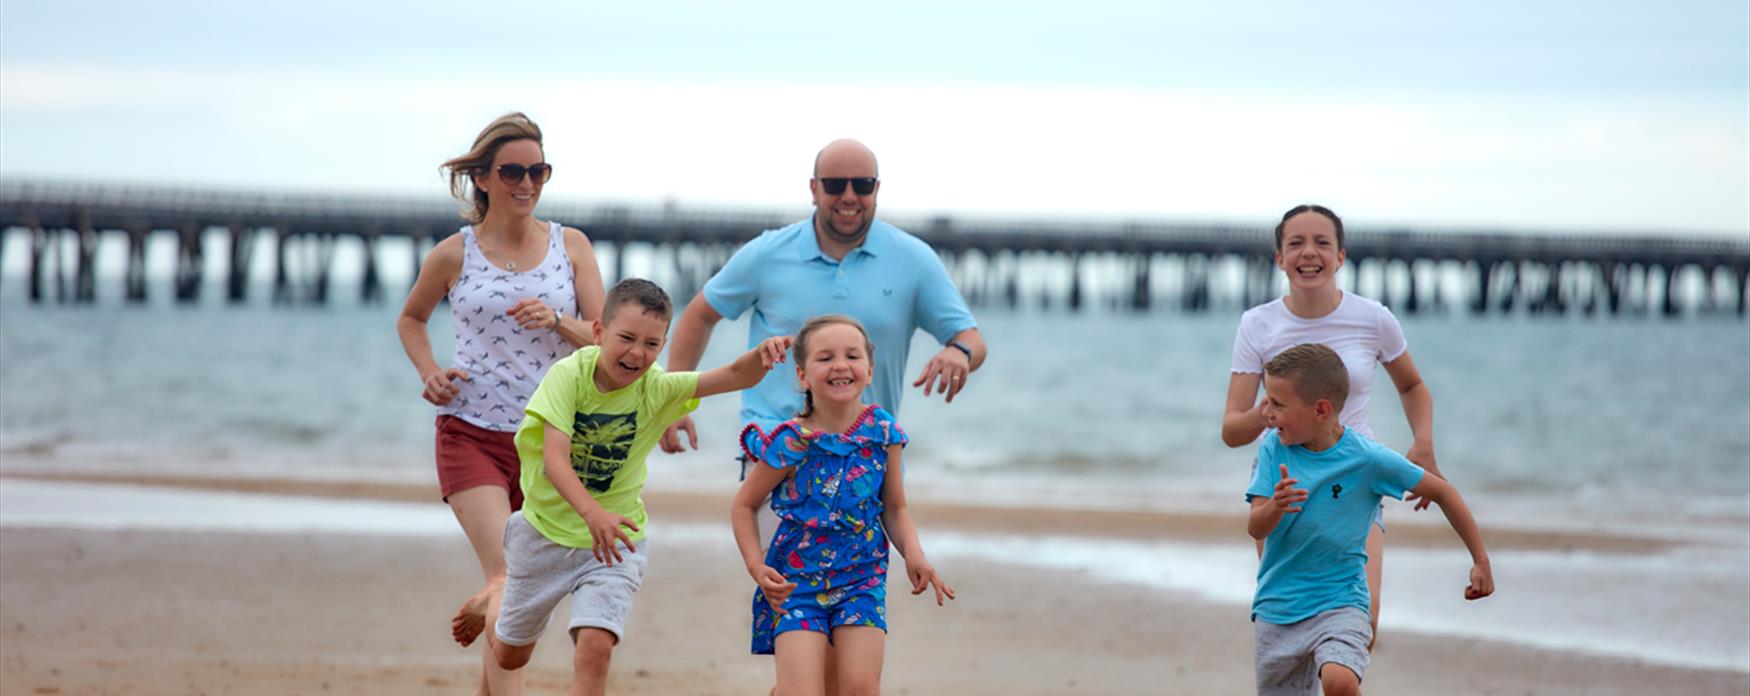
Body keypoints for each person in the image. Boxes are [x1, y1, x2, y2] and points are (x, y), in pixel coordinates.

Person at [661, 137, 984, 690]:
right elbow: (699, 315)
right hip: (776, 457)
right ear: (814, 189)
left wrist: (957, 352)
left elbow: (972, 338)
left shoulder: (912, 259)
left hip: (862, 463)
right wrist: (675, 402)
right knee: (806, 658)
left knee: (843, 670)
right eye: (835, 185)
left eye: (863, 185)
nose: (849, 196)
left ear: (878, 190)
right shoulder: (768, 253)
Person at [488, 278, 792, 696]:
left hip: (615, 542)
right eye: (626, 338)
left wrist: (762, 355)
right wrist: (591, 513)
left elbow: (734, 375)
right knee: (509, 656)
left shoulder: (658, 388)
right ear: (598, 332)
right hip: (543, 532)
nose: (637, 353)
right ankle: (493, 598)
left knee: (595, 648)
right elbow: (555, 461)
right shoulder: (569, 376)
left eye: (652, 344)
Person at [396, 111, 604, 696]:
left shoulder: (572, 246)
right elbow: (411, 319)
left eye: (539, 170)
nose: (527, 183)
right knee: (508, 581)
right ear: (483, 178)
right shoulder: (452, 254)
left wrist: (557, 321)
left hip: (552, 442)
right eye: (513, 171)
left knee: (517, 594)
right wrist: (430, 371)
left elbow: (605, 337)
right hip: (470, 432)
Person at [1222, 203, 1443, 646]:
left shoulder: (1373, 319)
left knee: (1362, 626)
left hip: (1356, 475)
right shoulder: (1257, 324)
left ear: (1340, 256)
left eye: (1322, 242)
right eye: (1296, 243)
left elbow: (1413, 386)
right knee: (1290, 628)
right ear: (1279, 258)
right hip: (1283, 480)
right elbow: (1232, 429)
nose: (1309, 253)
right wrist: (1269, 411)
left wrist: (1422, 443)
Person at [1247, 343, 1492, 696]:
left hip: (1341, 601)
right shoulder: (1273, 448)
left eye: (1277, 403)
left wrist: (1480, 560)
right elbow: (1255, 526)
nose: (1266, 412)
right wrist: (1275, 505)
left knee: (1340, 680)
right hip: (1278, 608)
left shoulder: (1367, 460)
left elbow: (1444, 493)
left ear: (1320, 409)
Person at [732, 315, 955, 696]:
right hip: (795, 584)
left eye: (852, 356)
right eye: (825, 358)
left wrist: (914, 555)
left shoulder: (884, 434)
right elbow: (744, 505)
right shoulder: (791, 440)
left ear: (869, 371)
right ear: (802, 376)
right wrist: (756, 566)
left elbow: (895, 508)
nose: (840, 365)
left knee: (859, 689)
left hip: (861, 579)